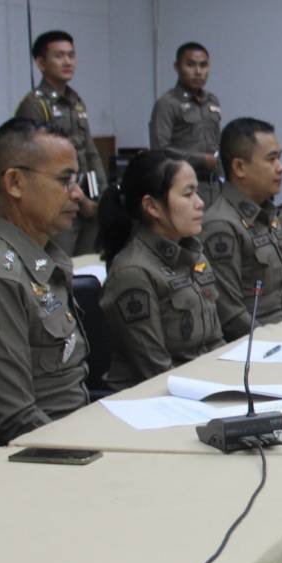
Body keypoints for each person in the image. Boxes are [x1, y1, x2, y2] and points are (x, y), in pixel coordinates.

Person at [0, 119, 89, 446]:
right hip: (26, 456)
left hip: (71, 434)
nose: (78, 194)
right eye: (65, 180)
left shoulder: (45, 259)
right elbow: (16, 418)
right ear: (15, 183)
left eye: (77, 180)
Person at [96, 150, 224, 389]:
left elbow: (215, 342)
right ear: (152, 207)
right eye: (188, 194)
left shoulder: (194, 255)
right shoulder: (133, 272)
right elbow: (155, 370)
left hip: (203, 385)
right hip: (157, 397)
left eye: (197, 192)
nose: (200, 203)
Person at [200, 117, 282, 339]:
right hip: (259, 343)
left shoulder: (266, 214)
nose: (281, 167)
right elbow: (231, 315)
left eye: (280, 158)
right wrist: (278, 342)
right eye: (271, 159)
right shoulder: (221, 225)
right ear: (239, 167)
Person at [14, 30, 105, 255]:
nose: (67, 62)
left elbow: (90, 150)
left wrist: (102, 194)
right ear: (40, 63)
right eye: (59, 56)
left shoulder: (76, 102)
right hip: (57, 204)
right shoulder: (35, 105)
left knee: (89, 263)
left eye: (71, 55)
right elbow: (38, 163)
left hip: (87, 201)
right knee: (60, 263)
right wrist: (76, 196)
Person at [149, 42, 223, 206]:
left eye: (203, 65)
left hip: (214, 185)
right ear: (177, 67)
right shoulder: (167, 103)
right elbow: (160, 150)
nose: (198, 72)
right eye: (190, 65)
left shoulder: (212, 101)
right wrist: (202, 160)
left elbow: (217, 145)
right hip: (183, 187)